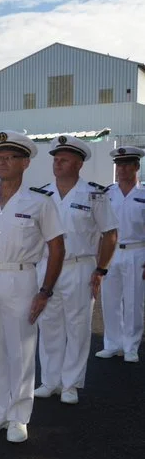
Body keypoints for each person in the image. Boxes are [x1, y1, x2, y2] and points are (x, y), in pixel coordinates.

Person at [0, 130, 64, 444]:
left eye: (9, 158)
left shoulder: (39, 202)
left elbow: (57, 247)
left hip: (21, 279)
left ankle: (19, 417)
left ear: (25, 163)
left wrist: (45, 291)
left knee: (20, 350)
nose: (2, 163)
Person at [33, 136, 118, 405]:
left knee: (78, 326)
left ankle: (71, 383)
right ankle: (50, 380)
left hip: (80, 267)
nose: (57, 162)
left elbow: (110, 234)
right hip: (48, 266)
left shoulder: (94, 194)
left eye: (64, 158)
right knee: (48, 325)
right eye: (56, 158)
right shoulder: (41, 194)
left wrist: (101, 270)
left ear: (79, 164)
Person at [98, 146, 145, 363]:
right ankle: (112, 343)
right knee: (110, 299)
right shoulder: (107, 194)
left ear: (137, 166)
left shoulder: (143, 194)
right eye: (119, 165)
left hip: (137, 252)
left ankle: (131, 345)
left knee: (135, 301)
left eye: (127, 165)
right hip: (112, 253)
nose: (122, 169)